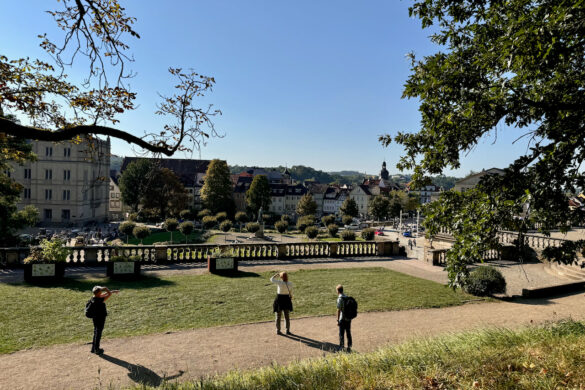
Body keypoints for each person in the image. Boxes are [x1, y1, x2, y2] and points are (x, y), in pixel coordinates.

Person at [90, 285, 119, 355]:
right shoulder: (100, 299)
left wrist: (113, 291)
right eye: (101, 290)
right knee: (98, 333)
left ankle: (93, 348)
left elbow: (105, 294)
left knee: (96, 331)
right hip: (100, 317)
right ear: (99, 292)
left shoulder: (94, 298)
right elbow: (108, 294)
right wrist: (105, 288)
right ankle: (97, 349)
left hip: (95, 317)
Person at [336, 284, 352, 352]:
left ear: (338, 291)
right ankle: (349, 346)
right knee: (348, 332)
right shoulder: (347, 297)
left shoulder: (340, 298)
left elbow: (338, 310)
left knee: (341, 333)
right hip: (348, 318)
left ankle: (341, 347)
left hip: (342, 318)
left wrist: (338, 320)